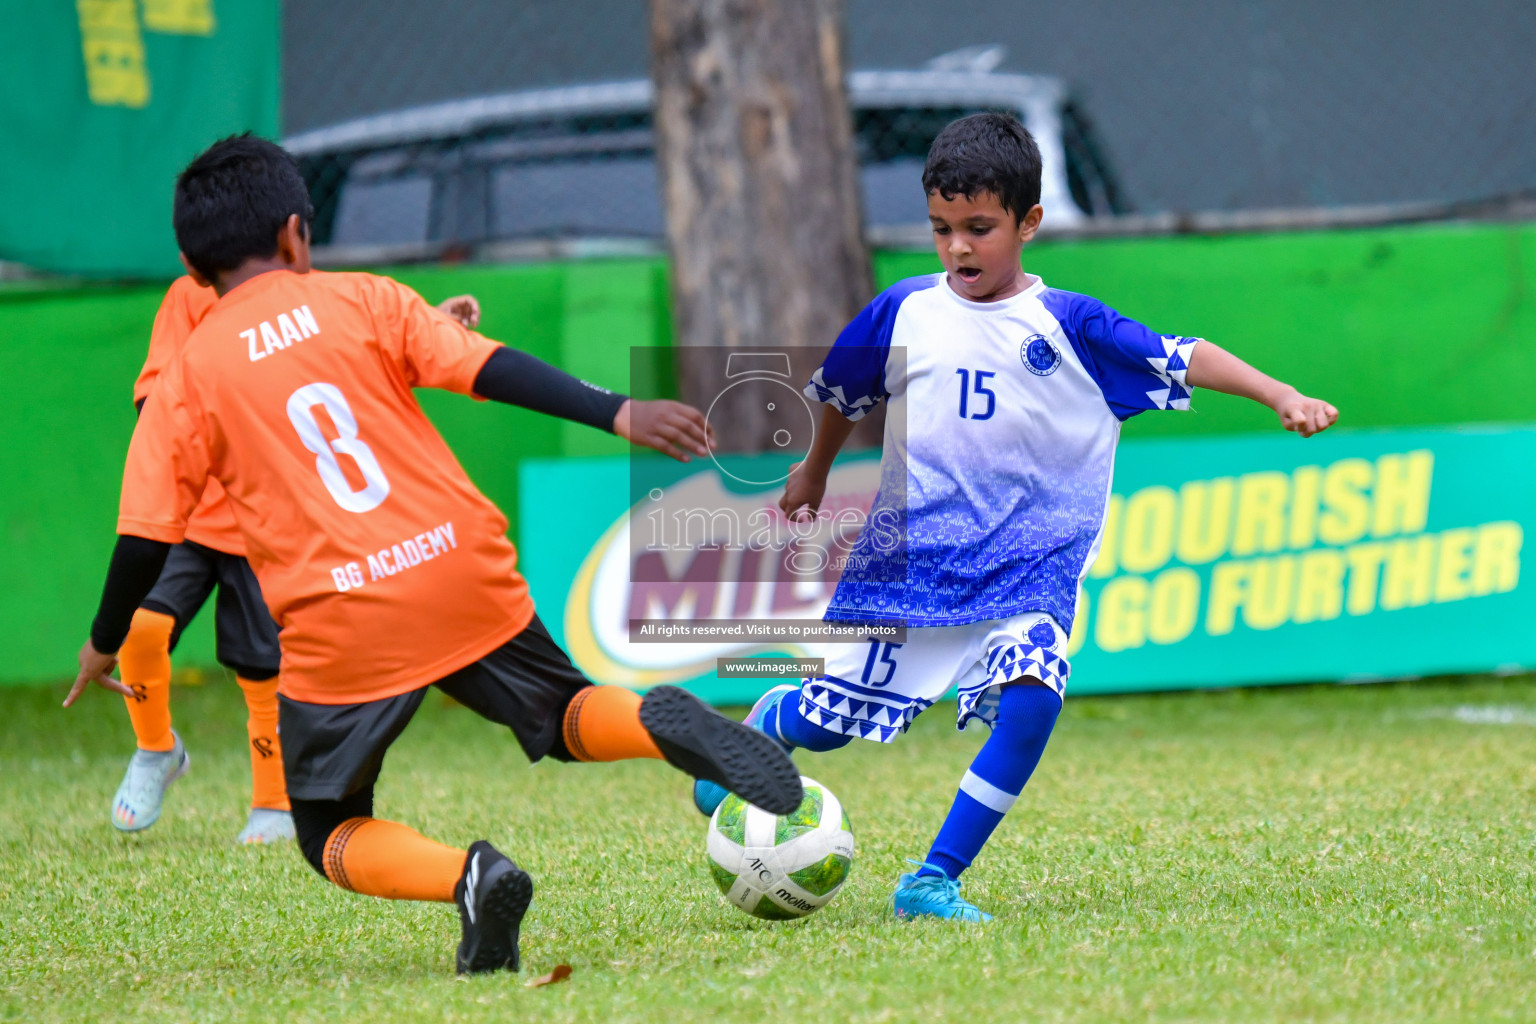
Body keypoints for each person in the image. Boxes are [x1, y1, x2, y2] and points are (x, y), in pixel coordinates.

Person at [67, 134, 801, 974]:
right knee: (566, 716)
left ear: (194, 272)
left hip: (343, 615)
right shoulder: (365, 300)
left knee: (328, 829)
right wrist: (618, 411)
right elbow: (491, 369)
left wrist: (102, 638)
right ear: (297, 235)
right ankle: (657, 723)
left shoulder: (187, 376)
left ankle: (470, 875)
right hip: (459, 564)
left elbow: (145, 536)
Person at [693, 112, 1338, 922]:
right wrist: (813, 473)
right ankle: (767, 722)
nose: (958, 248)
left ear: (1029, 223)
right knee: (829, 729)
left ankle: (932, 880)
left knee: (1035, 694)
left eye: (978, 228)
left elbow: (1184, 355)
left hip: (1029, 567)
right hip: (912, 564)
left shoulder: (1073, 326)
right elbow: (840, 391)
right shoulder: (904, 310)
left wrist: (1281, 395)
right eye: (940, 229)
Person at [111, 276, 482, 844]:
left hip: (265, 523)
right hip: (192, 516)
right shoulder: (190, 295)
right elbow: (153, 403)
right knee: (140, 628)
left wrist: (428, 318)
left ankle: (271, 803)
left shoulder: (306, 295)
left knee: (263, 670)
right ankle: (156, 749)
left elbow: (342, 361)